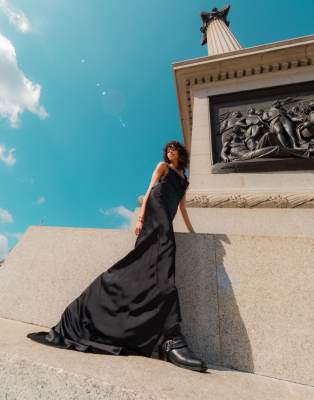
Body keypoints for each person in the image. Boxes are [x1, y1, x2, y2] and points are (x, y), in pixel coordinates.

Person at [27, 140, 208, 373]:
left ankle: (164, 335)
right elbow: (150, 190)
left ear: (180, 153)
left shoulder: (184, 180)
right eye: (167, 150)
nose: (169, 152)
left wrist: (194, 233)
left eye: (173, 149)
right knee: (165, 252)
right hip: (156, 211)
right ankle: (171, 338)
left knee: (149, 265)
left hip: (167, 219)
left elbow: (182, 209)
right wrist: (141, 218)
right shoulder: (162, 167)